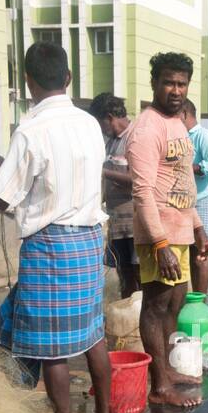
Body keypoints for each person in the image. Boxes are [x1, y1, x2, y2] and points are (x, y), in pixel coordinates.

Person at [0, 42, 116, 413]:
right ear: (68, 79)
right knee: (93, 335)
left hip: (50, 245)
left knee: (52, 349)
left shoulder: (31, 130)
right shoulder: (89, 124)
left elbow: (3, 198)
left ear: (29, 83)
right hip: (88, 242)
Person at [125, 51, 208, 408]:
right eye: (168, 82)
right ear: (154, 84)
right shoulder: (147, 127)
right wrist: (160, 243)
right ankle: (159, 386)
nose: (175, 90)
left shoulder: (179, 123)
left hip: (180, 231)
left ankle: (169, 370)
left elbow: (181, 184)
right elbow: (142, 191)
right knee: (156, 306)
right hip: (158, 234)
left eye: (182, 83)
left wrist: (199, 229)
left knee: (175, 305)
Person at [88, 92, 138, 298]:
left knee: (139, 274)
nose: (100, 130)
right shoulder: (110, 143)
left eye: (100, 124)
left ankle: (139, 316)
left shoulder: (135, 137)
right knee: (123, 273)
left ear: (109, 117)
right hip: (117, 225)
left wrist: (104, 172)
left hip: (135, 223)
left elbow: (139, 180)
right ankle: (128, 312)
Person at [181, 97, 208, 294]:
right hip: (187, 203)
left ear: (184, 114)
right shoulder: (182, 137)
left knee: (200, 256)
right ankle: (194, 301)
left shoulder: (204, 137)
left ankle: (201, 305)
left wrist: (188, 167)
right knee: (189, 256)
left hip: (205, 203)